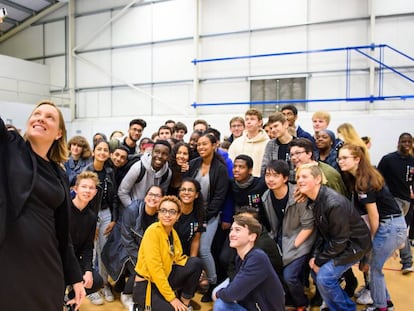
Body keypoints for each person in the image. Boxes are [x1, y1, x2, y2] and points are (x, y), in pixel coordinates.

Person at [0, 101, 85, 311]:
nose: (40, 118)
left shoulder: (60, 174)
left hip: (48, 266)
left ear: (59, 133)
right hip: (9, 263)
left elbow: (63, 234)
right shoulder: (8, 146)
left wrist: (75, 276)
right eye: (36, 113)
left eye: (49, 117)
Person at [339, 143, 406, 311]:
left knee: (373, 268)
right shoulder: (357, 178)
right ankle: (386, 301)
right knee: (374, 267)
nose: (340, 161)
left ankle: (380, 306)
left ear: (357, 159)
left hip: (388, 225)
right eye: (339, 158)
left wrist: (371, 243)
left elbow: (374, 216)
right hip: (391, 225)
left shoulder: (364, 182)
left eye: (345, 158)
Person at [296, 163, 372, 311]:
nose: (300, 180)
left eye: (305, 176)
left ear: (318, 179)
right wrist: (316, 256)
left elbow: (340, 241)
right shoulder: (315, 199)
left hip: (355, 246)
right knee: (316, 271)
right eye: (298, 177)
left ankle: (346, 308)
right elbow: (321, 233)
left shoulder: (333, 203)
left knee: (324, 277)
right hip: (338, 242)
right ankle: (341, 306)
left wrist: (319, 260)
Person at [133, 196, 203, 311]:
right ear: (158, 213)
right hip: (147, 285)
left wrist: (195, 272)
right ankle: (140, 306)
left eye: (172, 212)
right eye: (163, 210)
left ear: (178, 215)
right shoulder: (153, 232)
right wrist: (171, 298)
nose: (167, 215)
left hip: (165, 277)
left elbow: (178, 258)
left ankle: (185, 305)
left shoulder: (172, 232)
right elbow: (155, 270)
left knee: (196, 263)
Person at [262, 160, 316, 311]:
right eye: (267, 175)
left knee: (290, 276)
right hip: (281, 238)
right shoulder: (266, 196)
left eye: (275, 175)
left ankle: (302, 303)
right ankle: (288, 298)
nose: (270, 179)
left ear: (285, 178)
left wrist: (294, 246)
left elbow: (308, 226)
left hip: (301, 239)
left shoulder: (298, 195)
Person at [185, 133, 230, 302]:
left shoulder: (220, 168)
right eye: (198, 144)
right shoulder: (193, 164)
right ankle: (194, 280)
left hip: (210, 215)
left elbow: (219, 197)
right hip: (191, 213)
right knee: (190, 249)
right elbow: (185, 188)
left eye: (205, 144)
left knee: (203, 249)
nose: (201, 147)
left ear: (214, 145)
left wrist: (203, 218)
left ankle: (213, 282)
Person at [213, 214, 285, 311]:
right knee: (221, 300)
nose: (231, 234)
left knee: (220, 304)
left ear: (252, 237)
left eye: (237, 230)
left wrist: (219, 294)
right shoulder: (241, 257)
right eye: (231, 230)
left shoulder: (257, 258)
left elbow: (233, 292)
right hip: (251, 306)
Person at [114, 185, 164, 310]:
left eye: (157, 195)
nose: (153, 198)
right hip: (127, 248)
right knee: (141, 267)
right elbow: (126, 238)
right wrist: (143, 259)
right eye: (151, 194)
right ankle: (126, 294)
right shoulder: (132, 210)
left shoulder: (163, 214)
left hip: (149, 252)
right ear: (145, 197)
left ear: (162, 199)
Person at [83, 138, 119, 303]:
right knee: (90, 252)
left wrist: (114, 219)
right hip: (90, 215)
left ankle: (104, 283)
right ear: (93, 152)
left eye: (106, 150)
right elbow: (83, 199)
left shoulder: (110, 172)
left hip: (106, 214)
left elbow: (115, 197)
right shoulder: (86, 171)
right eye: (99, 149)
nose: (102, 152)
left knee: (104, 251)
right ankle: (89, 288)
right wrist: (90, 223)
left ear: (109, 154)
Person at [377, 132, 414, 274]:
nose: (406, 144)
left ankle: (395, 253)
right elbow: (378, 177)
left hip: (406, 200)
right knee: (401, 228)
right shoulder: (388, 159)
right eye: (404, 142)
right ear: (398, 142)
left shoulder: (412, 160)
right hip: (392, 201)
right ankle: (407, 262)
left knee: (397, 229)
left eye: (409, 142)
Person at [68, 171, 104, 305]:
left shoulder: (92, 217)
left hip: (76, 260)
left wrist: (88, 270)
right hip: (58, 261)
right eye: (84, 186)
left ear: (95, 192)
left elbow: (88, 246)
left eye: (91, 188)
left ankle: (69, 300)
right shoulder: (64, 210)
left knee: (96, 281)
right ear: (76, 189)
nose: (87, 190)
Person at [118, 140, 172, 207]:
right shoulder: (138, 167)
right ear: (152, 152)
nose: (160, 156)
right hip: (133, 209)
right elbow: (122, 192)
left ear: (169, 156)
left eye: (164, 154)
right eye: (157, 152)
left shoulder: (167, 173)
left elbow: (163, 195)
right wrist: (132, 209)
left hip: (151, 210)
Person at [228, 108, 269, 177]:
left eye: (252, 119)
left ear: (260, 122)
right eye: (247, 119)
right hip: (240, 183)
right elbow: (231, 163)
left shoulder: (267, 143)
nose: (249, 122)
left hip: (260, 182)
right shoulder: (236, 143)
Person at [175, 178, 206, 256]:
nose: (186, 193)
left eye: (190, 190)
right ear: (179, 193)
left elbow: (195, 241)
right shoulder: (172, 210)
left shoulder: (200, 215)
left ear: (196, 195)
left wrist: (192, 261)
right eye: (183, 189)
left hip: (185, 255)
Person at [260, 112, 295, 181]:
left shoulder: (298, 144)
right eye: (271, 128)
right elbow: (264, 169)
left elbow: (301, 172)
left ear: (285, 124)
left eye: (276, 126)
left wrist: (279, 175)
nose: (273, 130)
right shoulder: (270, 145)